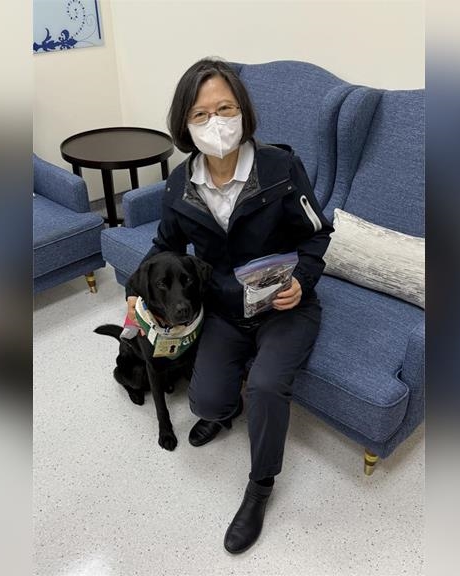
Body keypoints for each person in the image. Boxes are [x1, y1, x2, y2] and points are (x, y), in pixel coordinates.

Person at [125, 57, 333, 554]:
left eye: (225, 109)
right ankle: (224, 411)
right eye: (201, 114)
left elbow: (317, 235)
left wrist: (301, 280)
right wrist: (135, 288)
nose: (215, 123)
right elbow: (165, 245)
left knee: (265, 384)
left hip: (285, 304)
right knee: (207, 403)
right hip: (224, 308)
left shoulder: (281, 168)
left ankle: (260, 487)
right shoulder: (179, 185)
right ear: (185, 124)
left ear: (243, 112)